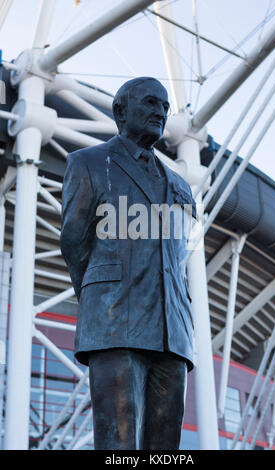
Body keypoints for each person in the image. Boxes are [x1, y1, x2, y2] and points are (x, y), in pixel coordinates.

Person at [60, 77, 197, 450]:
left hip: (172, 333)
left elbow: (177, 254)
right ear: (120, 110)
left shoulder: (180, 185)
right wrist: (103, 296)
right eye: (151, 102)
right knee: (118, 442)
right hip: (115, 321)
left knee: (165, 446)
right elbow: (75, 243)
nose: (160, 112)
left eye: (166, 107)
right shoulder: (88, 163)